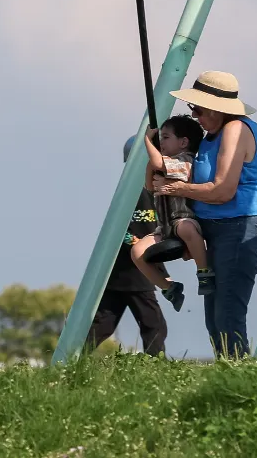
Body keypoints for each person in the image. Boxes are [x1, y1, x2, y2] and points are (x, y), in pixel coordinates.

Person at [156, 71, 257, 358]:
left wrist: (177, 189)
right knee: (214, 317)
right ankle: (228, 371)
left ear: (219, 107)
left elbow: (222, 191)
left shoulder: (236, 129)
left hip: (239, 228)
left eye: (198, 108)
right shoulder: (210, 136)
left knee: (227, 313)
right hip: (214, 230)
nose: (193, 115)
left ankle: (239, 377)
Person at [86, 136, 169, 357]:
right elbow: (118, 226)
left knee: (104, 322)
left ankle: (69, 358)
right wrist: (130, 239)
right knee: (154, 324)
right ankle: (156, 364)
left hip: (128, 268)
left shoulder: (155, 191)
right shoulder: (134, 191)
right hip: (133, 267)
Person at [131, 116, 213, 306]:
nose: (160, 142)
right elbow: (150, 187)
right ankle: (168, 287)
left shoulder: (185, 161)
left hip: (184, 219)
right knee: (137, 252)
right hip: (165, 227)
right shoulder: (163, 161)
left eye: (165, 137)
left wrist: (147, 140)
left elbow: (160, 164)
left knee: (186, 229)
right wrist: (151, 163)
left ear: (183, 142)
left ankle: (204, 271)